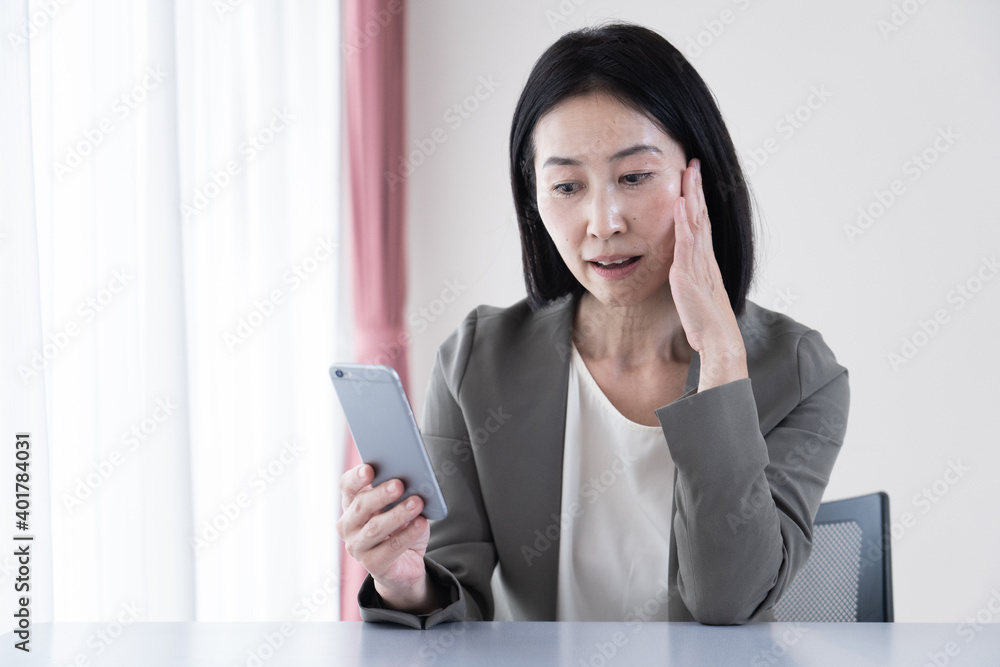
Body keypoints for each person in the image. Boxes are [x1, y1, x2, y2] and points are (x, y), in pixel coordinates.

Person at [337, 22, 849, 629]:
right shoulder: (477, 361)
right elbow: (454, 600)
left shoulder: (800, 373)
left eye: (634, 177)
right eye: (566, 186)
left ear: (699, 180)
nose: (603, 222)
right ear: (534, 199)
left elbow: (729, 601)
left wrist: (720, 354)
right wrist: (404, 581)